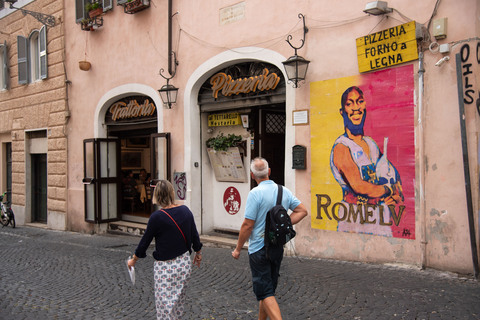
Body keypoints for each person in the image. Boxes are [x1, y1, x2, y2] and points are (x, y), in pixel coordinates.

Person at [232, 157, 308, 320]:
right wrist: (287, 222)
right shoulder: (284, 191)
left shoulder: (255, 194)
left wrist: (238, 248)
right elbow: (302, 211)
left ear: (252, 175)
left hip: (259, 249)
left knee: (264, 291)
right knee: (267, 290)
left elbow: (247, 225)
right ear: (269, 172)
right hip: (276, 247)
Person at [330, 86, 404, 234]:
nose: (355, 107)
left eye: (359, 101)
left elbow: (392, 173)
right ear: (342, 111)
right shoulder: (341, 147)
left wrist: (396, 193)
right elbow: (359, 186)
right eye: (349, 103)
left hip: (379, 215)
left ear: (365, 106)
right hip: (354, 216)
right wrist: (389, 190)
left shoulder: (371, 143)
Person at [127, 180, 203, 320]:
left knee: (164, 308)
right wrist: (198, 253)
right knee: (178, 304)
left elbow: (145, 242)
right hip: (183, 264)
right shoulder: (185, 211)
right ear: (172, 193)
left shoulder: (156, 217)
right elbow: (194, 235)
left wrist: (134, 260)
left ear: (157, 196)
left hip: (165, 267)